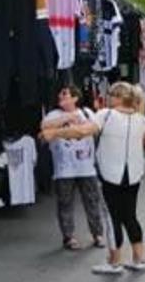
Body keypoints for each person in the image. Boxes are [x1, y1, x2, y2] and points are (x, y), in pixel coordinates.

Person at [42, 82, 145, 275]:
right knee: (130, 216)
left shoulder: (106, 115)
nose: (108, 97)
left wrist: (55, 133)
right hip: (134, 176)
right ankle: (138, 259)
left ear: (118, 97)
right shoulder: (140, 119)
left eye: (111, 94)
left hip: (110, 175)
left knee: (112, 218)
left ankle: (114, 262)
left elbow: (82, 131)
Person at [40, 85, 107, 250]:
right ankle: (68, 237)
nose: (61, 96)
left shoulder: (87, 112)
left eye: (65, 94)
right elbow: (45, 127)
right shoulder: (54, 114)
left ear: (75, 98)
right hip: (64, 168)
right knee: (65, 203)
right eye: (60, 93)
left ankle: (97, 234)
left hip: (86, 166)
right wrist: (68, 117)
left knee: (92, 201)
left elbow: (96, 128)